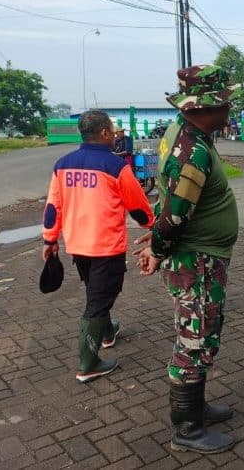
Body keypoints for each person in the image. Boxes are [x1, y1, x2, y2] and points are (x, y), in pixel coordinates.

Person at [135, 64, 239, 454]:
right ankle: (187, 428)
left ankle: (198, 407)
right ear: (202, 108)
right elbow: (176, 215)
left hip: (200, 258)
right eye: (224, 103)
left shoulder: (184, 133)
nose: (229, 110)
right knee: (194, 341)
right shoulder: (192, 150)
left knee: (203, 332)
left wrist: (157, 236)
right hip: (196, 263)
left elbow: (167, 196)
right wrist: (157, 249)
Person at [41, 110, 155, 384]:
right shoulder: (116, 166)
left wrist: (50, 239)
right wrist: (153, 226)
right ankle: (88, 363)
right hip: (106, 247)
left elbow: (53, 208)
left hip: (78, 246)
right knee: (98, 302)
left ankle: (107, 332)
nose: (115, 135)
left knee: (96, 292)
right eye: (112, 130)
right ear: (104, 133)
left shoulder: (62, 164)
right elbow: (138, 206)